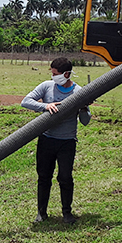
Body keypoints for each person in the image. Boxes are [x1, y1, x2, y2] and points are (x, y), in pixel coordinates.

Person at [21, 57, 91, 224]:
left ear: (66, 74)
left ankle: (67, 212)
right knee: (44, 176)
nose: (53, 77)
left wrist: (82, 107)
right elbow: (25, 101)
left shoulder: (78, 92)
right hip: (46, 139)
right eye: (52, 74)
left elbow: (86, 121)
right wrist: (45, 106)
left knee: (65, 177)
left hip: (67, 142)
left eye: (56, 74)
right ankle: (41, 212)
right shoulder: (47, 87)